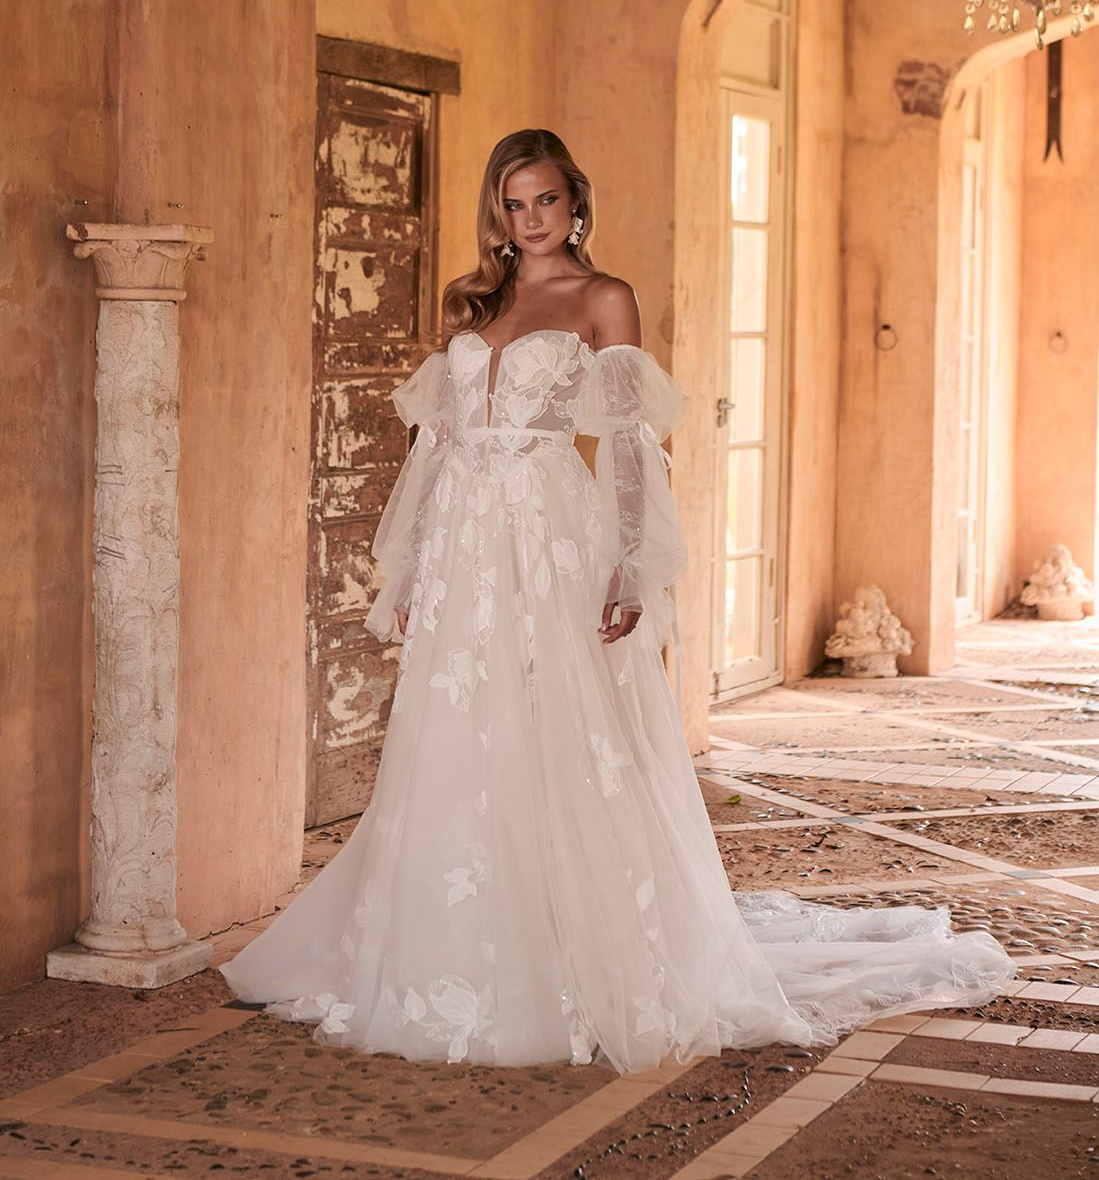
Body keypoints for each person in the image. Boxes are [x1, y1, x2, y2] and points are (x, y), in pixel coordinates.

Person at [219, 129, 1016, 1074]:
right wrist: (406, 569)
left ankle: (571, 950)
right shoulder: (475, 301)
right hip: (466, 549)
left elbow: (630, 446)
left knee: (556, 727)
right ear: (499, 214)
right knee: (457, 729)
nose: (529, 221)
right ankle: (455, 937)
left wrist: (631, 565)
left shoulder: (604, 299)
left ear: (575, 203)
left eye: (545, 201)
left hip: (548, 537)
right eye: (513, 205)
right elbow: (434, 447)